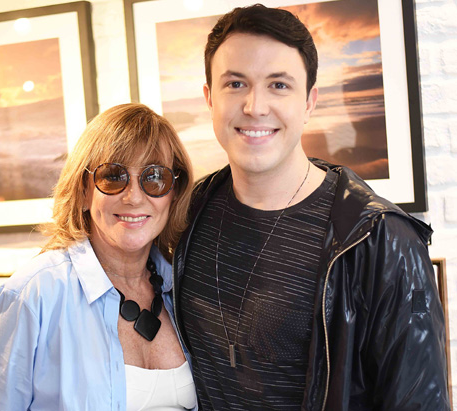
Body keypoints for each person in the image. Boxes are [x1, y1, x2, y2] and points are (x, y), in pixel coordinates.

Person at [173, 4, 450, 410]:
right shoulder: (188, 212)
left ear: (309, 102)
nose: (255, 106)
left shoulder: (383, 239)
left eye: (279, 85)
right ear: (209, 98)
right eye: (235, 83)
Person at [0, 103, 197, 410]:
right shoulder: (30, 296)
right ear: (84, 192)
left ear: (174, 192)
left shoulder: (185, 291)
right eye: (113, 176)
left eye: (154, 177)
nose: (134, 197)